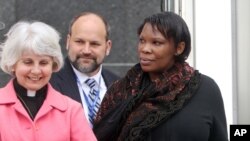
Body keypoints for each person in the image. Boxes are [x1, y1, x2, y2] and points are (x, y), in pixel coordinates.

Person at [93, 11, 228, 141]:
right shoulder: (120, 91)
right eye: (142, 40)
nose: (144, 49)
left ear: (179, 48)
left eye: (156, 42)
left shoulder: (205, 89)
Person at [0, 21, 97, 141]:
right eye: (28, 62)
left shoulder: (71, 110)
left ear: (53, 65)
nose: (36, 71)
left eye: (43, 63)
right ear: (13, 64)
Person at [50, 12, 119, 127]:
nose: (86, 50)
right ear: (68, 42)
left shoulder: (121, 86)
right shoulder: (48, 83)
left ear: (108, 47)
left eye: (94, 44)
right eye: (80, 42)